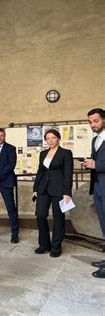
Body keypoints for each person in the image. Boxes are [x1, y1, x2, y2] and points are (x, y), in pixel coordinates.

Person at [33, 128, 73, 258]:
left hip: (59, 189)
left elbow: (68, 173)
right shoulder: (43, 154)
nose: (50, 140)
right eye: (48, 138)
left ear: (58, 138)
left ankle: (56, 246)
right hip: (43, 188)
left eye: (53, 138)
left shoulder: (65, 153)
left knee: (58, 218)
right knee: (40, 215)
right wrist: (35, 188)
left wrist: (67, 192)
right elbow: (40, 172)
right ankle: (44, 245)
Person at [82, 108, 105, 278]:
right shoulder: (95, 140)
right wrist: (89, 162)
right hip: (98, 187)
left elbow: (100, 164)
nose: (92, 125)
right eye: (90, 122)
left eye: (95, 121)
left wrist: (96, 165)